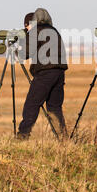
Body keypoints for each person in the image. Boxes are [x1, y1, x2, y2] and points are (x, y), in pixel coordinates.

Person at [17, 8, 68, 139]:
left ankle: (23, 135)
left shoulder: (36, 31)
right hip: (59, 72)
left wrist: (17, 49)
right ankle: (62, 137)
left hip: (45, 73)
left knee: (32, 104)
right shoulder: (54, 31)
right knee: (54, 107)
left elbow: (24, 53)